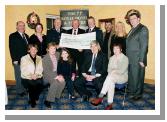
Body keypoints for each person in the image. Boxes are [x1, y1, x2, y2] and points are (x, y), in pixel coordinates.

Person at [91, 43, 129, 110]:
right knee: (111, 81)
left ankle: (100, 97)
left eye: (117, 49)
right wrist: (113, 72)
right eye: (114, 49)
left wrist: (114, 71)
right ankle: (109, 104)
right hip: (112, 77)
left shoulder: (125, 58)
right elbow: (108, 69)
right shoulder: (111, 58)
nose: (115, 50)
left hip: (122, 77)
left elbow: (122, 71)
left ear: (121, 50)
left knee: (110, 78)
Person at [125, 9, 149, 100]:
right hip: (130, 58)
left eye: (134, 19)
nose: (132, 21)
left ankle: (138, 94)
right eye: (130, 19)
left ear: (138, 19)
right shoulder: (132, 29)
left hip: (138, 58)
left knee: (138, 77)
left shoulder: (143, 28)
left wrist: (142, 60)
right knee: (132, 76)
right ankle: (132, 91)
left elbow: (144, 45)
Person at [9, 21, 29, 96]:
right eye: (20, 25)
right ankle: (19, 91)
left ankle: (23, 89)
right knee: (18, 76)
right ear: (16, 27)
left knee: (24, 75)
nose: (22, 27)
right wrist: (14, 60)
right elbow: (12, 48)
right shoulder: (12, 36)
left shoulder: (26, 36)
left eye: (23, 25)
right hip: (17, 60)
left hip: (26, 60)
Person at [42, 42, 65, 108]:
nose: (53, 50)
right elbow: (46, 71)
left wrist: (60, 75)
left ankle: (56, 96)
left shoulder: (57, 54)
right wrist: (57, 77)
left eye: (54, 48)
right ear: (48, 49)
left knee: (63, 81)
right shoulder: (45, 58)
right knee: (55, 82)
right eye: (51, 48)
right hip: (47, 75)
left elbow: (65, 56)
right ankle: (48, 100)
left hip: (56, 73)